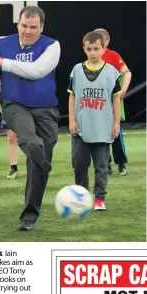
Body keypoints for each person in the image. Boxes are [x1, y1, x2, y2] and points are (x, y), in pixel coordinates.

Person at [0, 6, 61, 231]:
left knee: (38, 165)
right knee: (29, 138)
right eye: (24, 26)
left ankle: (28, 218)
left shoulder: (52, 45)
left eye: (33, 27)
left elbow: (36, 71)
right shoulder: (2, 44)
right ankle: (41, 159)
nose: (28, 31)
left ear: (41, 27)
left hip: (46, 109)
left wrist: (2, 62)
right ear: (18, 23)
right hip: (14, 105)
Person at [68, 31, 121, 211]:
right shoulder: (76, 70)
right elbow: (72, 97)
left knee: (101, 166)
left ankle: (99, 198)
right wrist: (71, 120)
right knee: (79, 164)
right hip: (81, 127)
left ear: (103, 49)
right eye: (89, 49)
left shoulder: (112, 72)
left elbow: (116, 99)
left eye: (96, 48)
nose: (92, 52)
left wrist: (116, 124)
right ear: (84, 48)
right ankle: (82, 196)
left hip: (102, 127)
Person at [94, 28, 132, 176]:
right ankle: (106, 163)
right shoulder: (92, 56)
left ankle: (121, 163)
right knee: (99, 133)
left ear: (106, 42)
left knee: (115, 131)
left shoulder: (113, 55)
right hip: (97, 101)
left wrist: (123, 90)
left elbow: (127, 72)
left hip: (112, 100)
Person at [0, 81, 19, 179]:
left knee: (29, 137)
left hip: (27, 101)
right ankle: (14, 168)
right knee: (11, 137)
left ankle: (35, 166)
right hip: (9, 103)